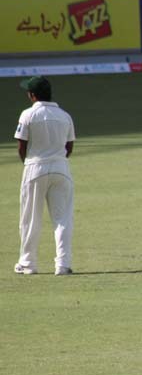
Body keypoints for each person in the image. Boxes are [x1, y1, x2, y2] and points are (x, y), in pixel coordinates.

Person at [14, 77, 75, 276]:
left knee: (30, 218)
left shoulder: (28, 114)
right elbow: (69, 146)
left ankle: (28, 264)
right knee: (62, 218)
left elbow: (21, 146)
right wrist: (56, 160)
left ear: (32, 95)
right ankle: (63, 265)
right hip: (61, 168)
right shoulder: (65, 115)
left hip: (34, 168)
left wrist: (29, 163)